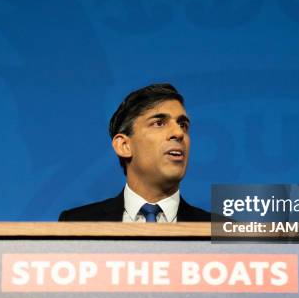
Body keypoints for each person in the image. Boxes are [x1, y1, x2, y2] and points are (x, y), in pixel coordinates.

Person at [59, 83, 211, 222]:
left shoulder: (221, 230)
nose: (178, 133)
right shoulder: (78, 221)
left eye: (183, 124)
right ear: (124, 145)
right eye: (159, 123)